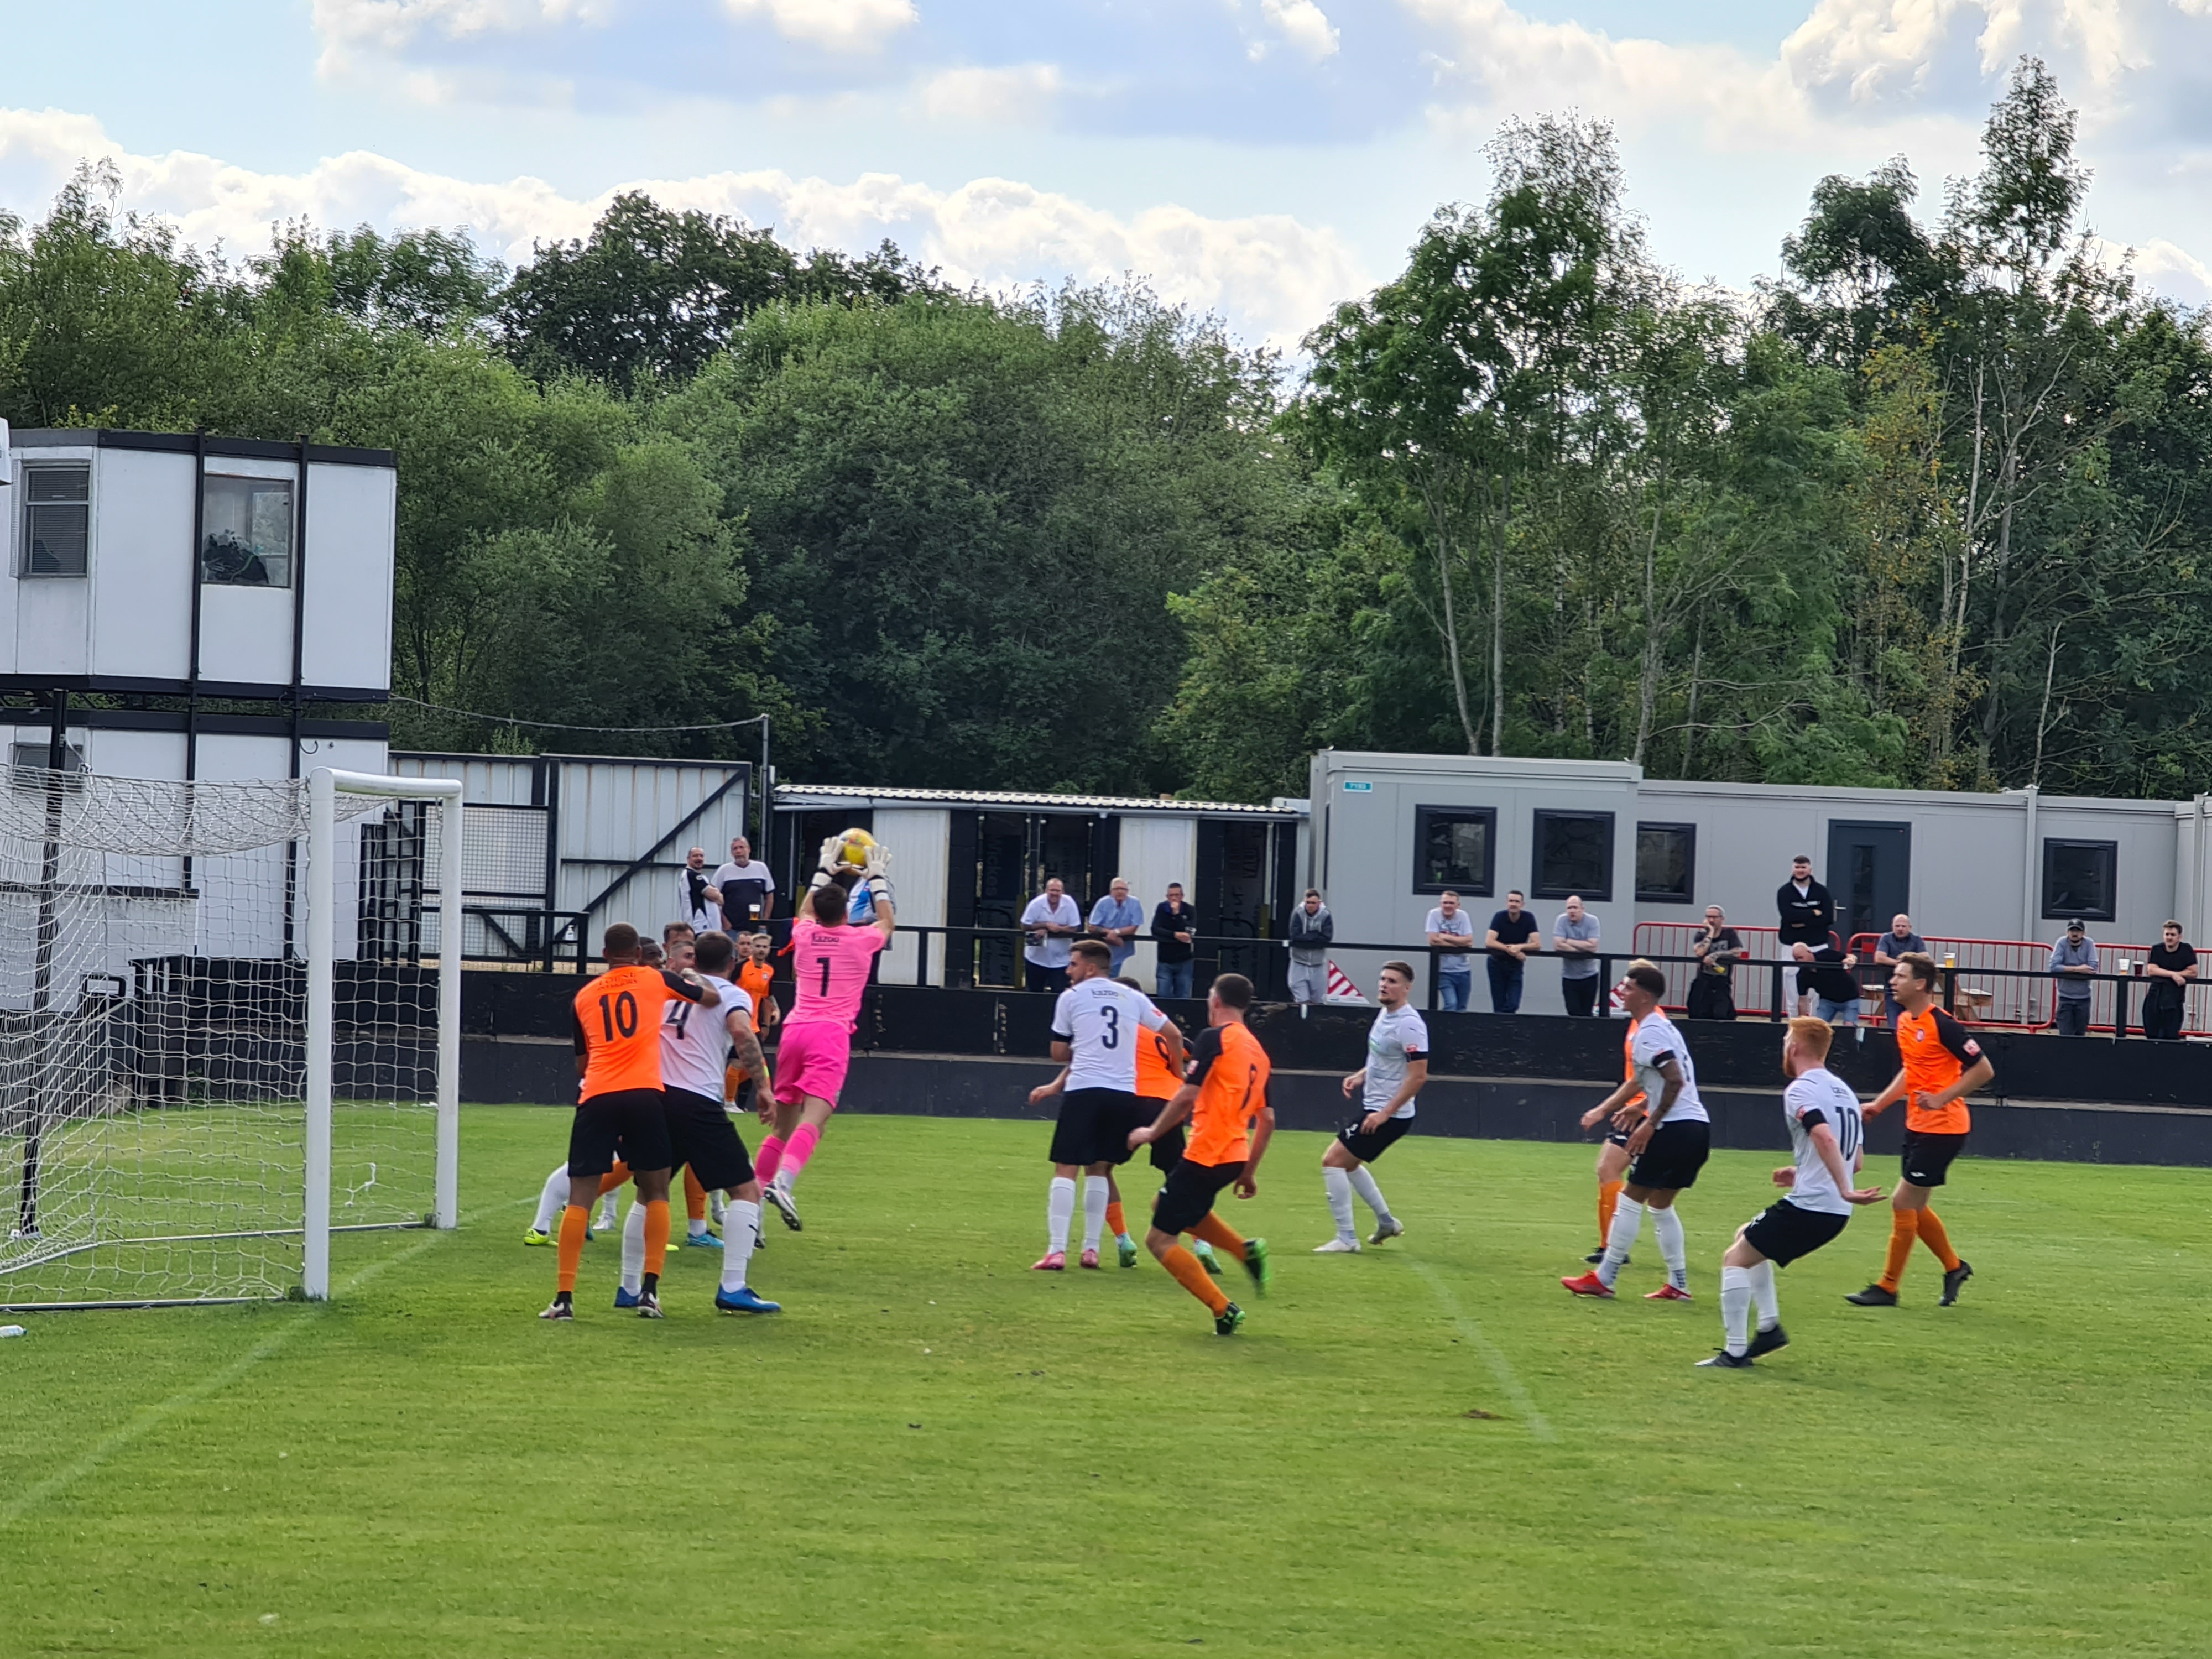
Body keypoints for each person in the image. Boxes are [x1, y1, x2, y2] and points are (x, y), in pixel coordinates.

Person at [540, 924, 718, 1321]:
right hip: (645, 1095)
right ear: (639, 953)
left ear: (605, 955)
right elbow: (710, 998)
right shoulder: (656, 979)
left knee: (581, 1196)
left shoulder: (584, 996)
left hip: (598, 1094)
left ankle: (564, 1298)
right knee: (656, 1191)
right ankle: (649, 1294)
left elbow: (582, 1064)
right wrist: (691, 975)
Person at [1696, 1018, 1885, 1369]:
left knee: (1734, 1260)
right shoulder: (1845, 1092)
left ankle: (1735, 1353)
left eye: (1786, 1040)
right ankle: (1768, 1327)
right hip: (1833, 1211)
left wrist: (1844, 1189)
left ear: (1795, 1048)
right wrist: (1803, 1173)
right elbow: (1855, 1161)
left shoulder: (1800, 1089)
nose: (1784, 1046)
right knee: (1745, 1236)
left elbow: (1824, 1136)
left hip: (1813, 1207)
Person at [620, 928, 780, 1315]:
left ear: (696, 959)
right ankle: (734, 1286)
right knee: (745, 1190)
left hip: (654, 1096)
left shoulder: (670, 991)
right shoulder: (731, 994)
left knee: (649, 1193)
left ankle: (628, 1287)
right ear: (733, 963)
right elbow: (742, 1032)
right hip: (696, 1100)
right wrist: (763, 1087)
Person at [754, 836, 897, 1230]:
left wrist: (824, 868)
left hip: (795, 1030)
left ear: (817, 910)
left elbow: (804, 911)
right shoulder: (860, 939)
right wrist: (877, 878)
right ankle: (784, 1183)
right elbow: (887, 923)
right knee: (816, 1118)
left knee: (782, 1127)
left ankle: (751, 1211)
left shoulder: (804, 934)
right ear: (847, 912)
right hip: (829, 1033)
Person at [1128, 973, 1275, 1336]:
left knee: (1158, 1240)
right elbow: (1268, 1119)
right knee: (1166, 1206)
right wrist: (1249, 1171)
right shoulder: (1258, 1052)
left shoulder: (1215, 1038)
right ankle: (1244, 1251)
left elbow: (1187, 1095)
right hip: (1233, 1156)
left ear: (1216, 1001)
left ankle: (1223, 1309)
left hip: (1207, 1153)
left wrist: (1152, 1131)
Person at [1845, 952, 1994, 1309]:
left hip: (1943, 1129)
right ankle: (1955, 1268)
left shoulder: (1944, 1024)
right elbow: (1911, 1071)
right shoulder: (1905, 1022)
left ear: (1921, 984)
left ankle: (1888, 1287)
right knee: (1916, 1205)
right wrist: (1880, 1104)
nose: (1892, 981)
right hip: (1918, 1125)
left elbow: (1984, 1069)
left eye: (1900, 976)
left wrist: (1942, 1098)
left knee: (1903, 1202)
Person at [1026, 940, 1184, 1271]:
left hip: (1085, 1089)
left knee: (1066, 1167)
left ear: (1090, 968)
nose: (1068, 971)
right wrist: (1177, 1072)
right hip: (1122, 1093)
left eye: (1073, 964)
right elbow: (1174, 1036)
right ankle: (1091, 1249)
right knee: (1099, 1168)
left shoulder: (1071, 997)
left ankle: (1057, 1250)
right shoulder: (1132, 997)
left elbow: (1058, 1053)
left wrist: (1085, 1045)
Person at [1562, 961, 1709, 1302]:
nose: (1622, 993)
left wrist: (1650, 1123)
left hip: (1673, 1128)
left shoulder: (1649, 1033)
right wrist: (1633, 1107)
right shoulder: (1663, 1028)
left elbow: (1675, 1081)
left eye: (1628, 988)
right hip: (1696, 1128)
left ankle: (1605, 1278)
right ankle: (1679, 1284)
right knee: (1660, 1205)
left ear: (1644, 995)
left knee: (1630, 1200)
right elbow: (1651, 1079)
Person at [1314, 960, 1419, 1252]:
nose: (1384, 985)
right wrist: (1361, 1075)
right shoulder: (1385, 1015)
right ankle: (1386, 1222)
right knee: (1349, 1165)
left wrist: (1384, 1114)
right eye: (1383, 979)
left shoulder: (1410, 1024)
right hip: (1376, 1107)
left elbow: (1419, 1076)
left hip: (1389, 1114)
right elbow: (1383, 1058)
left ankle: (1347, 1239)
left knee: (1332, 1161)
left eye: (1392, 981)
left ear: (1407, 988)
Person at [1584, 1004, 1646, 1265]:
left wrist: (1604, 1109)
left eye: (1629, 987)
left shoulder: (1651, 1026)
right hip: (1638, 1109)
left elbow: (1653, 1076)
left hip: (1643, 1111)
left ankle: (1613, 1247)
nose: (1623, 993)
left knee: (1608, 1170)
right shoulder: (1639, 1023)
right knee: (1657, 1195)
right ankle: (1610, 1245)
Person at [1776, 855, 1835, 1016]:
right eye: (1797, 867)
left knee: (1818, 989)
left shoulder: (1822, 892)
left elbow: (1828, 918)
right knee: (1791, 984)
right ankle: (1794, 1023)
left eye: (1803, 867)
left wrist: (1801, 921)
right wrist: (1813, 913)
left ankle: (1816, 1022)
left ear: (1810, 869)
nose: (1800, 871)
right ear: (1793, 869)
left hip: (1818, 944)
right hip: (1790, 945)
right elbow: (1788, 916)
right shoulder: (1784, 892)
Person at [1020, 877, 1083, 996]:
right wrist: (1045, 925)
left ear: (1062, 892)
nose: (1055, 893)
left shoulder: (1069, 903)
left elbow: (1075, 927)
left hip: (1061, 960)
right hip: (1036, 958)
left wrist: (1058, 929)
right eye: (1052, 890)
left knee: (1059, 995)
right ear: (1046, 891)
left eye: (1058, 891)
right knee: (1034, 995)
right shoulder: (1036, 903)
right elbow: (1024, 925)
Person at [1483, 890, 1539, 1014]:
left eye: (1517, 902)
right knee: (1499, 1003)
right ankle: (1501, 1025)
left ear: (1522, 904)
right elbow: (1489, 941)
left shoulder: (1528, 918)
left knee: (1513, 1003)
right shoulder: (1499, 917)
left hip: (1515, 965)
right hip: (1496, 963)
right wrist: (1512, 951)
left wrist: (1519, 947)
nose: (1514, 904)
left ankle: (1506, 1022)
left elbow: (1537, 944)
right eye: (1511, 901)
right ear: (1507, 903)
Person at [2141, 920, 2197, 1041]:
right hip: (2155, 994)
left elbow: (2193, 972)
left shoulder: (2186, 950)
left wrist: (2171, 974)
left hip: (2174, 997)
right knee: (2151, 1032)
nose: (2169, 938)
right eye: (2167, 934)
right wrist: (2173, 975)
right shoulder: (2157, 949)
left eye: (2173, 935)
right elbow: (2151, 970)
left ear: (2180, 937)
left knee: (2171, 1034)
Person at [711, 835, 777, 937]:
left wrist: (765, 921)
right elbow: (712, 898)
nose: (739, 851)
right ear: (732, 853)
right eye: (735, 849)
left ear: (749, 849)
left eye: (742, 847)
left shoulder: (761, 868)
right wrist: (724, 921)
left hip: (756, 928)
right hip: (731, 929)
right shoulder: (724, 871)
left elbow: (770, 896)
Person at [1685, 905, 1742, 1022]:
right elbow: (1700, 952)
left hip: (1722, 980)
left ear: (1722, 919)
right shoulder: (1701, 934)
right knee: (1697, 1012)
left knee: (1722, 1014)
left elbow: (1737, 952)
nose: (1711, 920)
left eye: (1714, 917)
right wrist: (1710, 933)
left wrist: (1716, 955)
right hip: (1704, 980)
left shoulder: (1729, 933)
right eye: (1708, 917)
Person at [1871, 914, 1928, 1026]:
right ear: (1892, 927)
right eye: (1897, 926)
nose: (1900, 929)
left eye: (1903, 926)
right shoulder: (1886, 938)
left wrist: (1903, 963)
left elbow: (1925, 957)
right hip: (1893, 990)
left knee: (1915, 1025)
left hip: (1913, 991)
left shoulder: (1917, 940)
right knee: (1895, 1026)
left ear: (1910, 927)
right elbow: (1879, 958)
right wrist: (1901, 964)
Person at [1424, 891, 1477, 1011]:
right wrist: (1459, 944)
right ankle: (1443, 1024)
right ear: (1440, 904)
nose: (1448, 906)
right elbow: (1433, 940)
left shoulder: (1463, 916)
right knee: (1451, 1004)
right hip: (1443, 971)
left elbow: (1469, 942)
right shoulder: (1434, 914)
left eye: (1452, 903)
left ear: (1458, 905)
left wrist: (1445, 937)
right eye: (1445, 903)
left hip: (1464, 970)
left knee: (1462, 1008)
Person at [1792, 939, 1863, 1025]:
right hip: (1827, 1001)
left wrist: (1852, 960)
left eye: (1801, 957)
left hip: (1850, 998)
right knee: (1817, 1027)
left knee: (1849, 1027)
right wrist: (1802, 1023)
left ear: (1809, 952)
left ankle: (1855, 1033)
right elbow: (1802, 1000)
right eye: (1796, 959)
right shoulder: (1802, 975)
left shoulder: (1826, 954)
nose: (1799, 962)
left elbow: (1849, 956)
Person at [1086, 877, 1146, 978]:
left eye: (1123, 889)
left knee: (1117, 979)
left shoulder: (1135, 903)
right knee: (1100, 977)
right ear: (1111, 891)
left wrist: (1116, 933)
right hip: (1102, 950)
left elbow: (1134, 928)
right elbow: (1092, 927)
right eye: (1117, 889)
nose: (1120, 892)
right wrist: (1110, 933)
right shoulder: (1103, 902)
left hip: (1124, 950)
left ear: (1127, 891)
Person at [1553, 895, 1601, 1017]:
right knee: (1573, 1012)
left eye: (1575, 908)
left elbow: (1593, 947)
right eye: (1569, 908)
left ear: (1582, 909)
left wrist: (1569, 941)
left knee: (1587, 1014)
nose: (1572, 911)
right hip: (1569, 976)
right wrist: (1582, 950)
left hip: (1589, 975)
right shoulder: (1562, 920)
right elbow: (1558, 946)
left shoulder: (1592, 921)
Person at [2049, 919, 2098, 1036]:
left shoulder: (2089, 943)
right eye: (2072, 931)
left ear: (2084, 933)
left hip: (2084, 998)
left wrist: (2066, 969)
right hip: (2065, 997)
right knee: (2065, 1034)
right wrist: (2078, 969)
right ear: (2067, 932)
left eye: (2078, 931)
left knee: (2080, 1035)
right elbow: (2053, 967)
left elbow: (2093, 967)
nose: (2075, 933)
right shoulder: (2062, 943)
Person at [1286, 889, 1334, 1005]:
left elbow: (1327, 938)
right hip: (1299, 960)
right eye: (1308, 903)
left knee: (1319, 997)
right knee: (1300, 995)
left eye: (1313, 903)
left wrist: (1306, 938)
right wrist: (1315, 936)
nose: (1310, 906)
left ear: (1319, 903)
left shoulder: (1325, 915)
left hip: (1318, 962)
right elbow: (1294, 936)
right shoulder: (1298, 913)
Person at [1151, 881, 1197, 999]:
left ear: (1182, 896)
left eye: (1177, 895)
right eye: (1171, 895)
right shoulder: (1162, 909)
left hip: (1184, 960)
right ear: (1167, 897)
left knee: (1183, 997)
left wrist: (1177, 914)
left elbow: (1189, 931)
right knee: (1163, 995)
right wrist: (1175, 935)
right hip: (1165, 960)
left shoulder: (1189, 910)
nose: (1174, 898)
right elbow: (1156, 930)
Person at [677, 846, 718, 934]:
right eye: (695, 856)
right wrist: (718, 895)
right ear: (688, 859)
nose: (699, 859)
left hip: (705, 927)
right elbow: (716, 896)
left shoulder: (700, 877)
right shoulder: (691, 875)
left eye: (701, 856)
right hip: (699, 925)